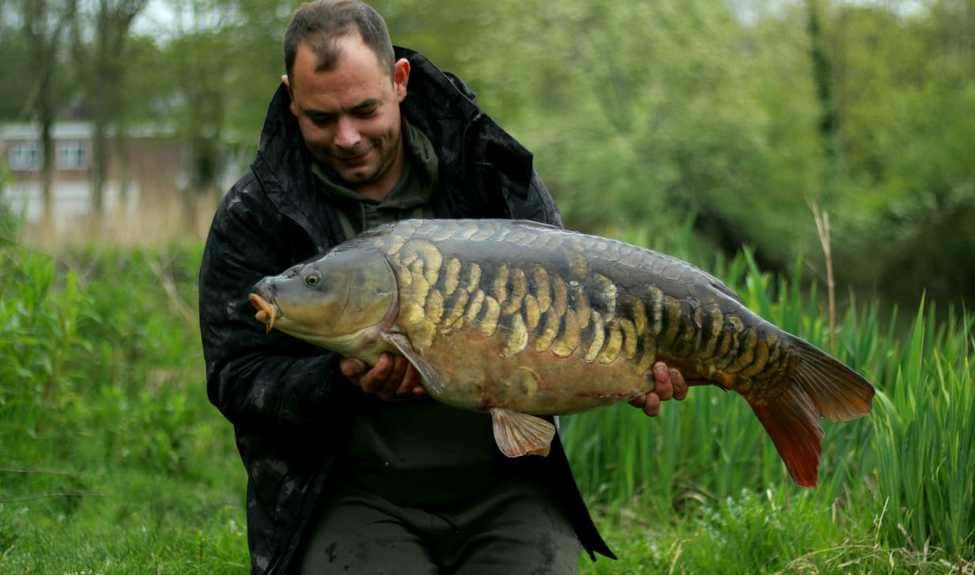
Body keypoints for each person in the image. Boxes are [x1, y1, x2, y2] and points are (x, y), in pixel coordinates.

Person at [198, 1, 688, 573]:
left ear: (399, 80)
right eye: (321, 119)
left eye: (365, 110)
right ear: (291, 98)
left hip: (507, 481)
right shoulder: (256, 212)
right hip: (344, 491)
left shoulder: (491, 170)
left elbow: (567, 310)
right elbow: (235, 377)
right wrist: (337, 381)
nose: (348, 137)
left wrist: (623, 370)